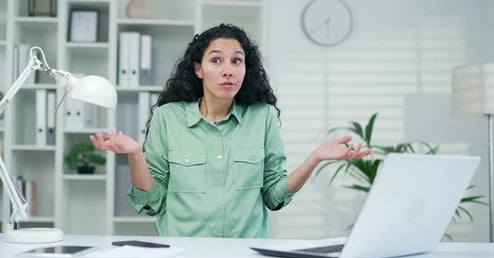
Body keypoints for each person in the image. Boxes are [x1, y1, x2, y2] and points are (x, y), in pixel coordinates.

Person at [90, 23, 371, 238]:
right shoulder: (168, 118)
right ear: (198, 69)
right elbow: (152, 203)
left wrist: (315, 158)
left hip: (246, 257)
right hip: (182, 257)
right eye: (216, 60)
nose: (228, 70)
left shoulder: (263, 117)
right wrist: (135, 154)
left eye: (237, 61)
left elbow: (274, 198)